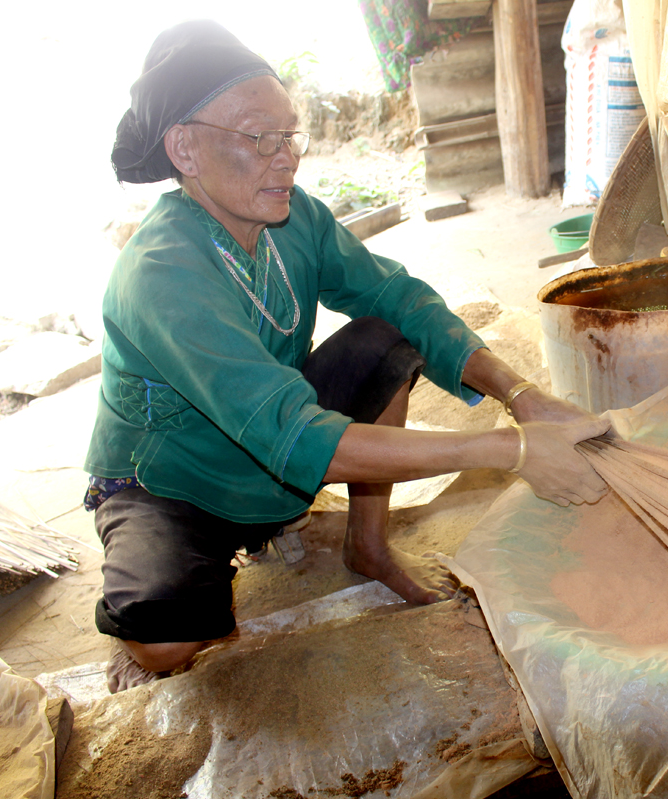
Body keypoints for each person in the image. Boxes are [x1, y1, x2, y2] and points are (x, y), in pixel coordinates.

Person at [89, 20, 609, 692]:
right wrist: (508, 450)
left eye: (290, 135)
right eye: (258, 138)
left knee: (382, 339)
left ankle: (367, 547)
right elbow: (295, 433)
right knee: (171, 642)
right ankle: (189, 573)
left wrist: (521, 396)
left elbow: (395, 295)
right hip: (169, 482)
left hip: (267, 444)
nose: (287, 158)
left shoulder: (292, 216)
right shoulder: (161, 273)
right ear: (185, 148)